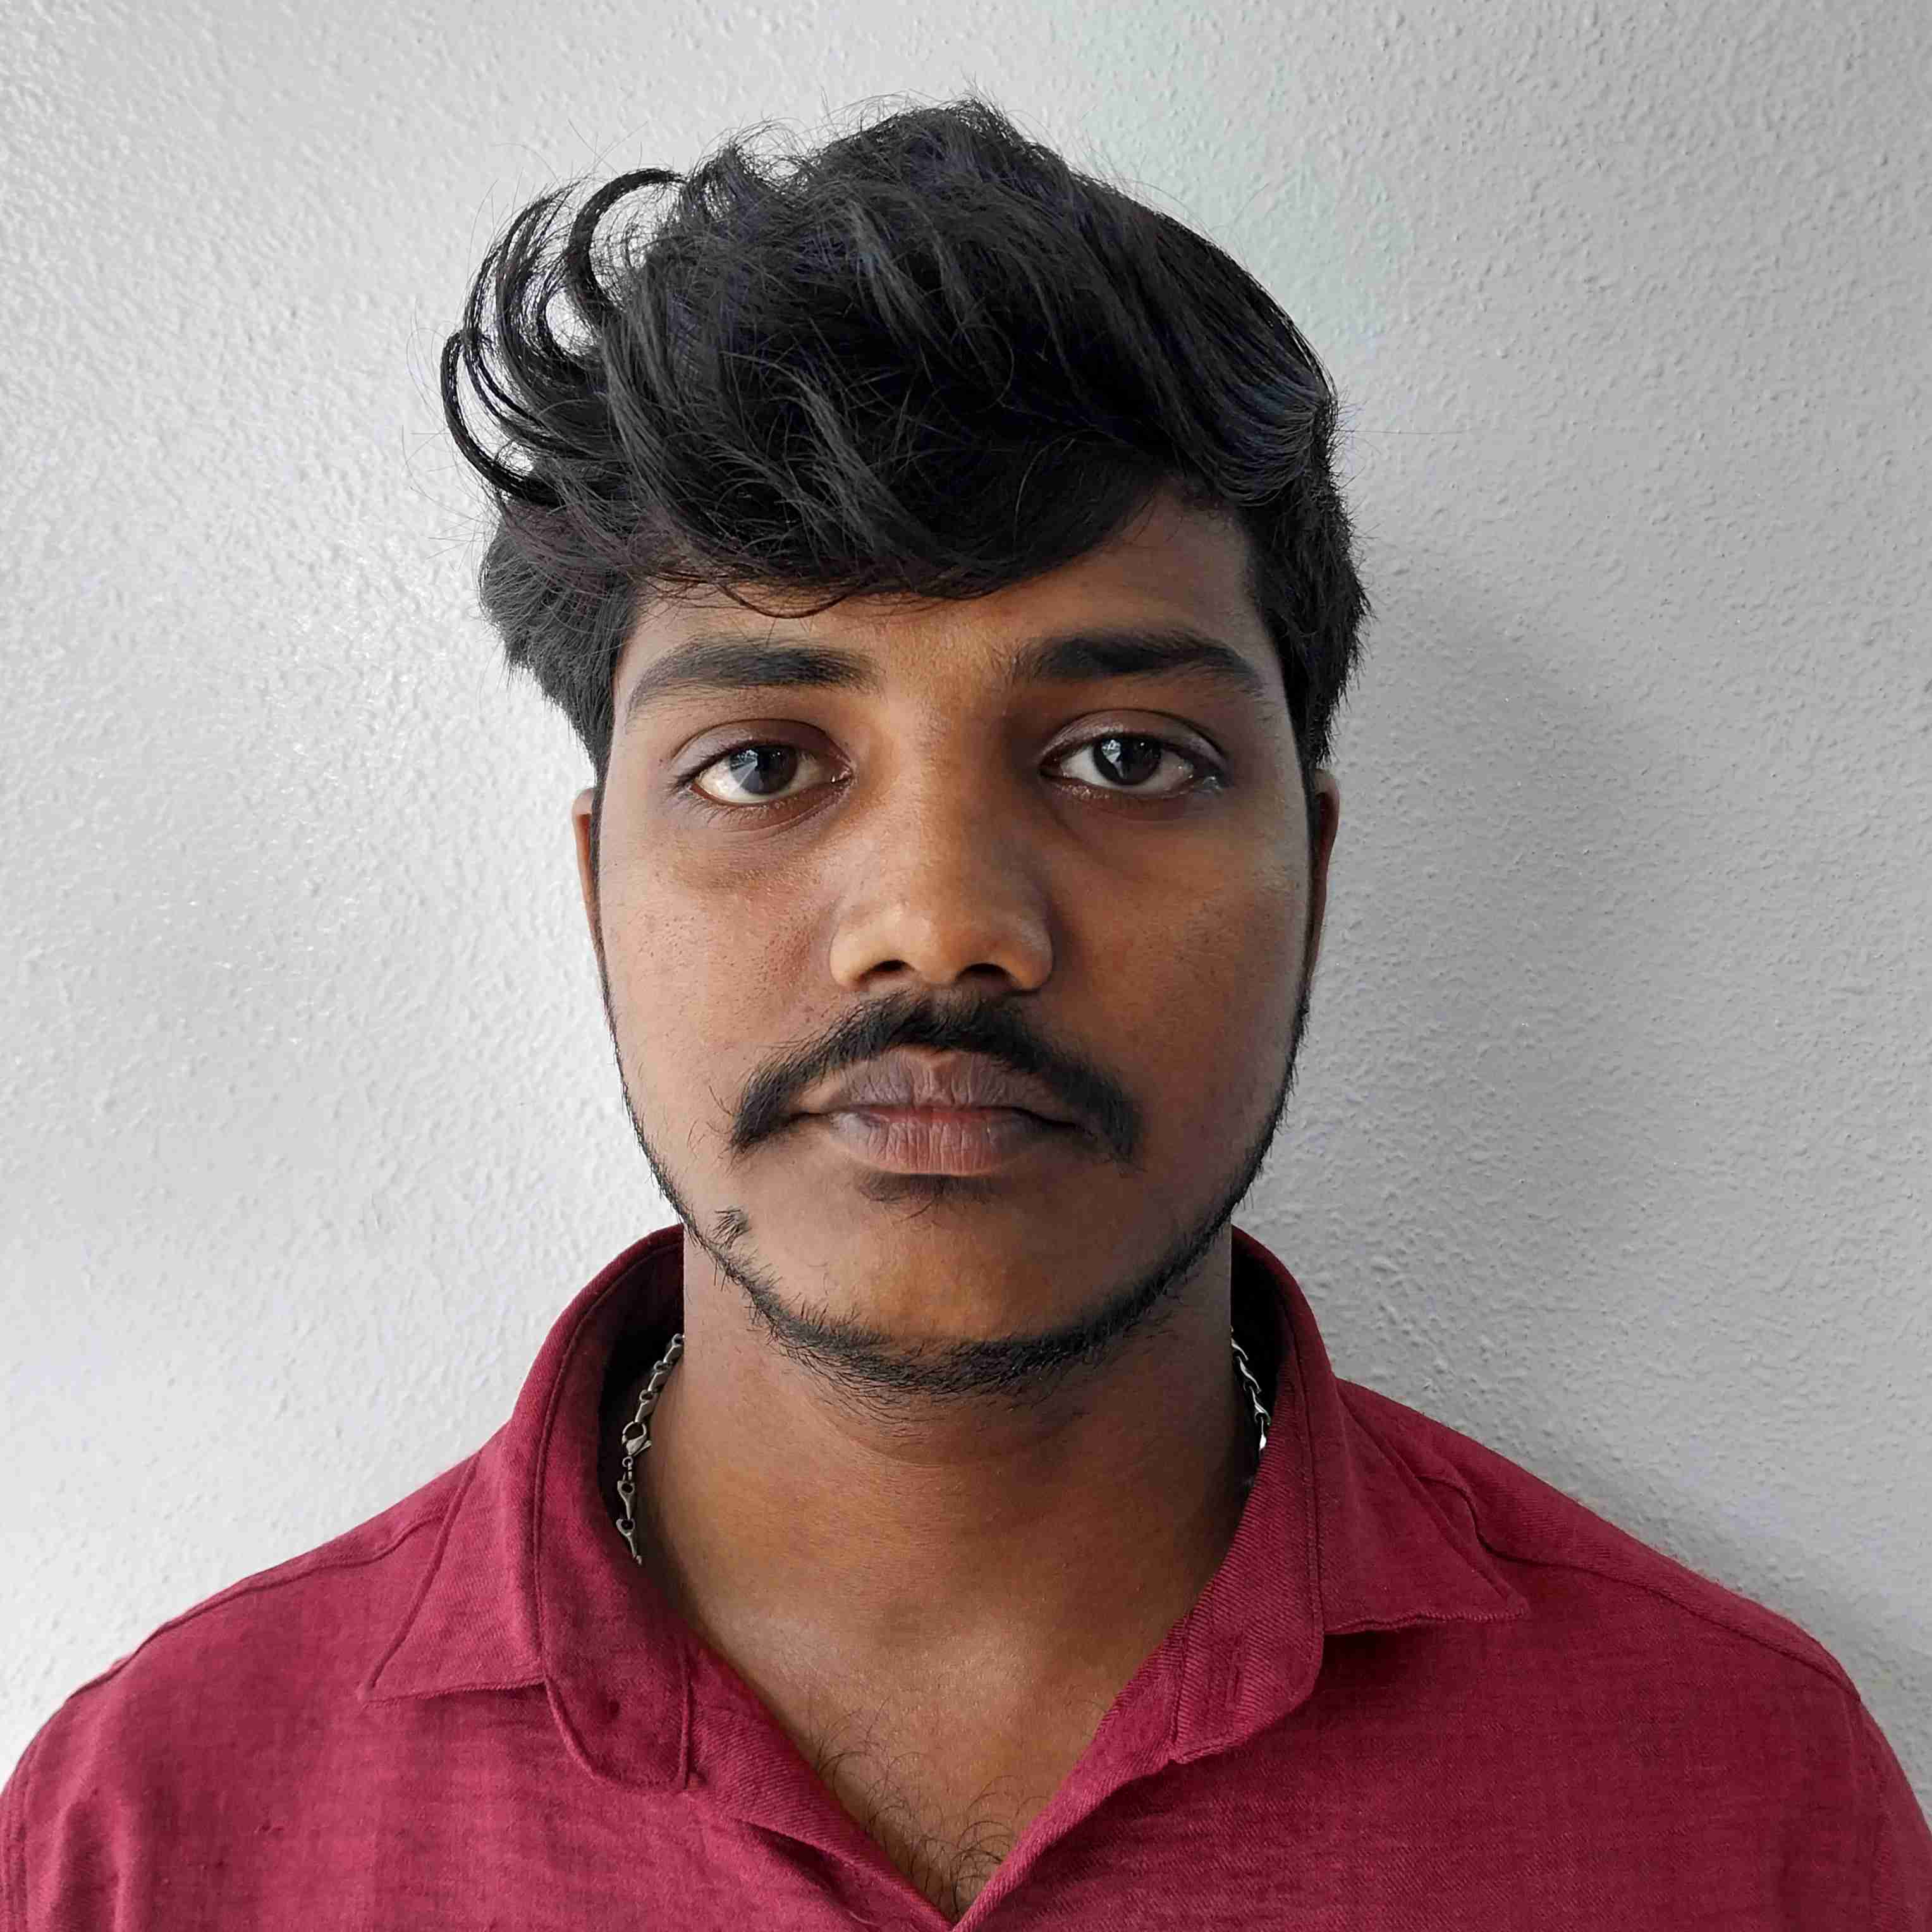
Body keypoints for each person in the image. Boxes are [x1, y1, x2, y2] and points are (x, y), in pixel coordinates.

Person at [4, 94, 1926, 1930]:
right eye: (764, 765)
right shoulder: (144, 1834)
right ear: (596, 891)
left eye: (1124, 755)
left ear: (1318, 876)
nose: (939, 927)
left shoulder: (1748, 1805)